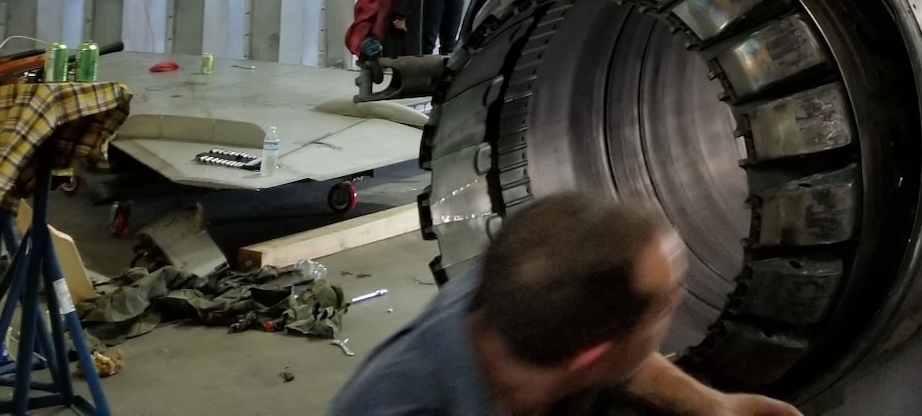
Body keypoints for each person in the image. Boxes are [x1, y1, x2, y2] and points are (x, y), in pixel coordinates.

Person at [330, 191, 800, 416]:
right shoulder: (398, 405)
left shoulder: (515, 291)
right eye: (664, 307)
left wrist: (716, 408)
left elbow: (625, 357)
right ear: (592, 356)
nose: (679, 303)